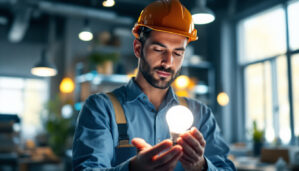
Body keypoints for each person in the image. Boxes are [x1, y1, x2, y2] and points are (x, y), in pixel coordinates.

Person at [72, 0, 236, 170]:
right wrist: (133, 168)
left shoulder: (201, 115)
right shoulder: (101, 109)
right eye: (159, 50)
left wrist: (202, 166)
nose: (168, 62)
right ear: (137, 48)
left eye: (178, 53)